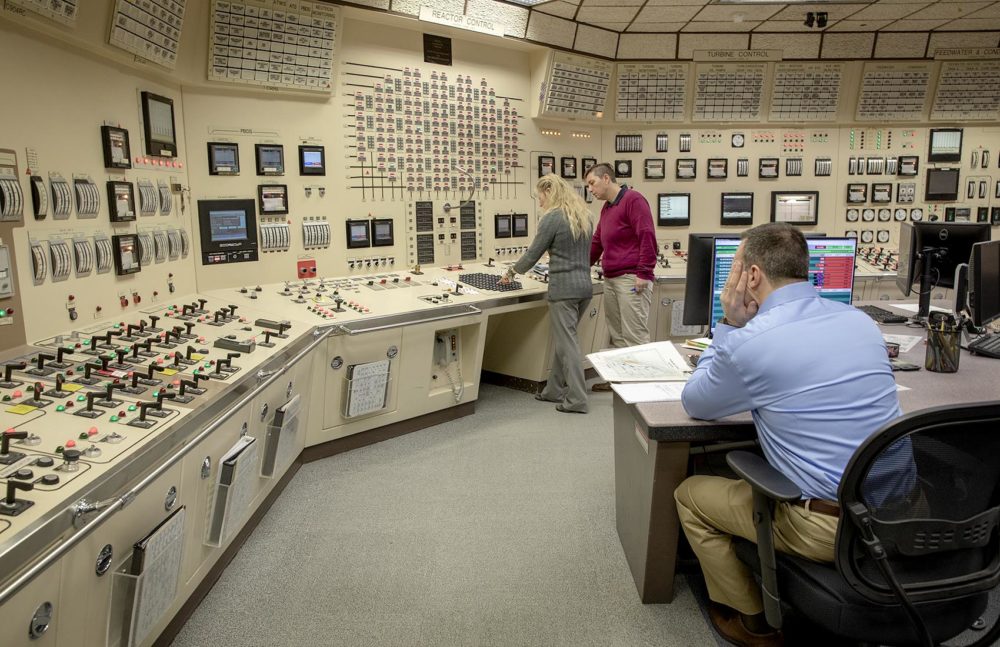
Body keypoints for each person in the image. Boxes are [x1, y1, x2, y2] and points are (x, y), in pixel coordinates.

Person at [674, 223, 902, 647]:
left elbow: (697, 403)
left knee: (690, 494)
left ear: (753, 276)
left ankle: (755, 623)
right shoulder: (861, 323)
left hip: (829, 527)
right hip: (900, 511)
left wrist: (728, 324)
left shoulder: (752, 341)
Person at [501, 174, 594, 413]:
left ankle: (577, 399)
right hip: (584, 287)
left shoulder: (552, 218)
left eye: (539, 196)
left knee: (568, 344)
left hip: (563, 289)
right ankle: (553, 391)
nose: (539, 202)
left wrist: (510, 272)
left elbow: (533, 254)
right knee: (565, 341)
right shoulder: (583, 216)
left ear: (548, 192)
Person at [584, 163, 658, 392]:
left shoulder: (633, 200)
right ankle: (619, 380)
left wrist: (644, 272)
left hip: (630, 278)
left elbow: (647, 235)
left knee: (634, 335)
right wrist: (580, 265)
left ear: (606, 178)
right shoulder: (607, 208)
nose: (590, 189)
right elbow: (598, 241)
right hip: (612, 278)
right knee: (617, 334)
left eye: (592, 183)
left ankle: (642, 386)